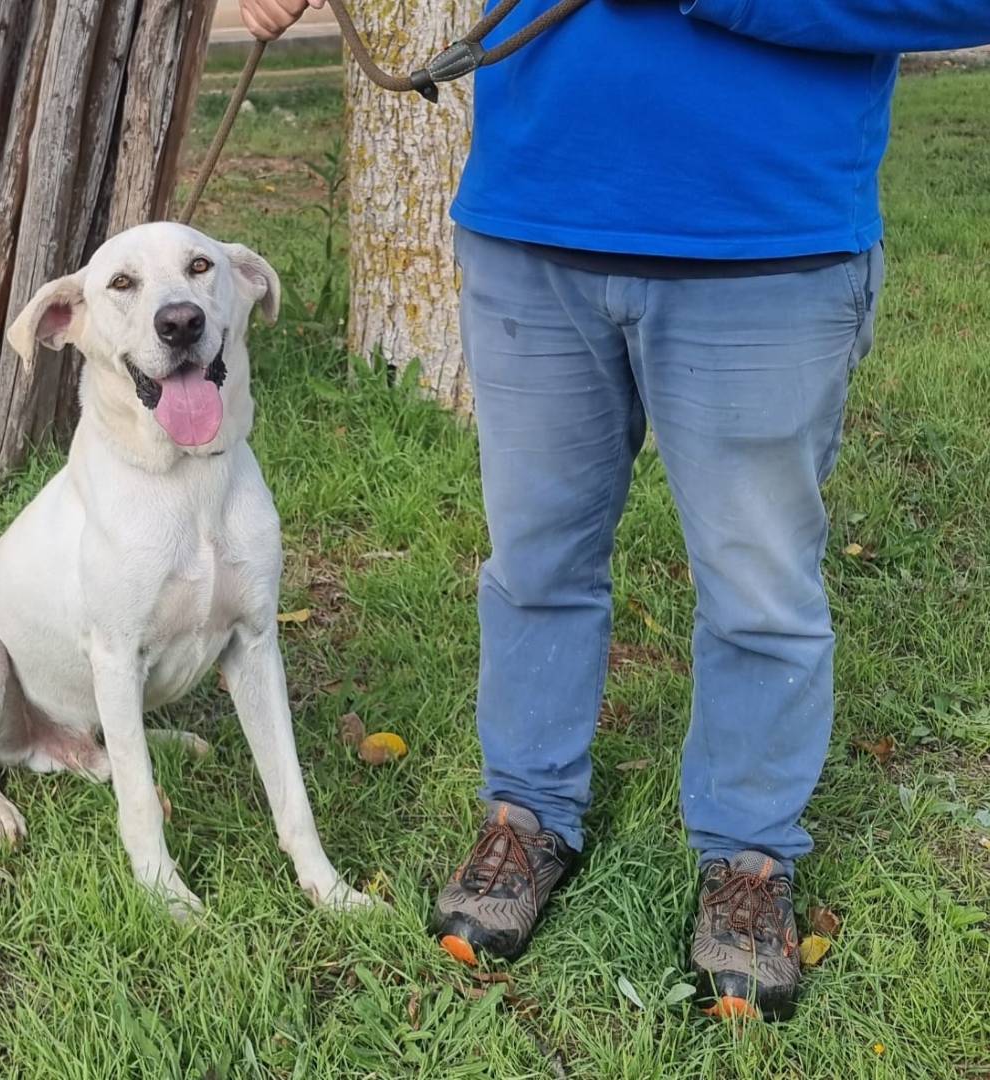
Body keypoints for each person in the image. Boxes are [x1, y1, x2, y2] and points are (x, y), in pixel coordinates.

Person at [239, 0, 990, 1020]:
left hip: (764, 246)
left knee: (757, 591)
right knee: (534, 564)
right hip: (530, 230)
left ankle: (749, 858)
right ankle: (527, 813)